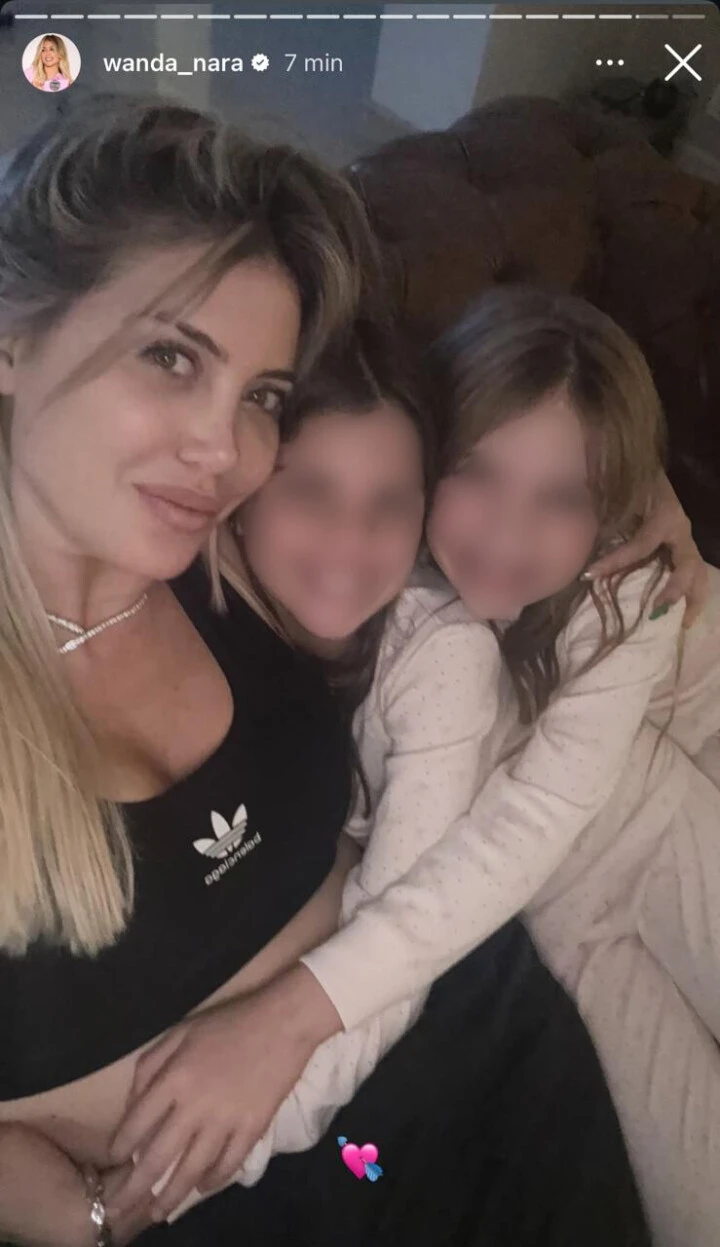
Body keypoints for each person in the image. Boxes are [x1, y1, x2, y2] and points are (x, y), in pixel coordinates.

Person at [0, 95, 654, 1247]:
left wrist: (651, 508)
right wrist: (74, 1211)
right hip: (227, 1206)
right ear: (14, 333)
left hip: (477, 1048)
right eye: (169, 355)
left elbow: (471, 456)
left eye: (260, 395)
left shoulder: (224, 545)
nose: (224, 449)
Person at [110, 291, 717, 1247]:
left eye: (563, 498)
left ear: (610, 511)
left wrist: (227, 1117)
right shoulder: (354, 597)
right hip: (563, 924)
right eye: (479, 473)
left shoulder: (618, 593)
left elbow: (522, 833)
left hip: (651, 832)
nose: (509, 530)